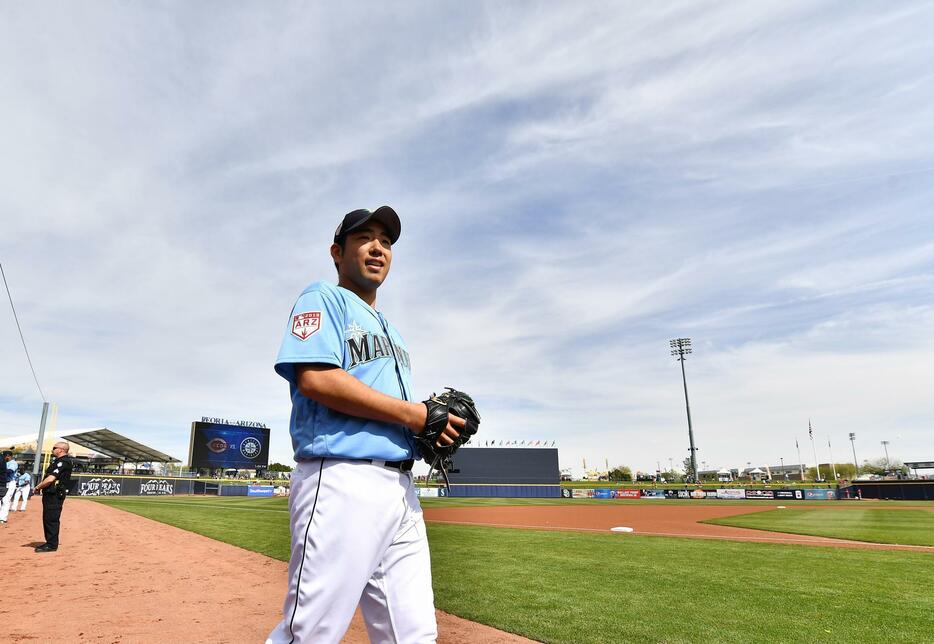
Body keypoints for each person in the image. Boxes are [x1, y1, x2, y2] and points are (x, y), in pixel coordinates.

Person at [266, 207, 464, 644]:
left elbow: (388, 409)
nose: (378, 247)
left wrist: (427, 428)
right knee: (311, 633)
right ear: (338, 252)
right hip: (341, 479)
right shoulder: (323, 297)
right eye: (365, 238)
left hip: (401, 491)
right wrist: (416, 414)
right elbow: (316, 377)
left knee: (412, 635)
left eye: (387, 241)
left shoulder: (393, 331)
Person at [32, 442, 73, 552]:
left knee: (51, 518)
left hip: (55, 494)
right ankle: (50, 542)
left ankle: (51, 544)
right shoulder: (58, 461)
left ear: (61, 450)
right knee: (48, 518)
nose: (52, 450)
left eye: (54, 448)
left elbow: (51, 479)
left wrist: (38, 487)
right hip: (51, 493)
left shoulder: (63, 462)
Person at [0, 450, 18, 524]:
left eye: (4, 456)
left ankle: (3, 518)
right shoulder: (4, 462)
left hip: (10, 483)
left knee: (5, 500)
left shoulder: (13, 463)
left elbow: (10, 471)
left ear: (8, 456)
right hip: (3, 482)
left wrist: (2, 470)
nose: (3, 457)